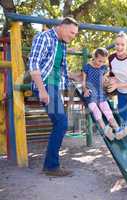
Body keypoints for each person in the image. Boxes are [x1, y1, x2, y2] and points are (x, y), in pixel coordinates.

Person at [28, 17, 79, 177]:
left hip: (55, 86)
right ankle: (51, 166)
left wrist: (74, 76)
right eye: (71, 32)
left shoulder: (62, 44)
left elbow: (60, 68)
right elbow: (34, 64)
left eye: (75, 34)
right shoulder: (44, 37)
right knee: (62, 122)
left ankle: (50, 165)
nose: (73, 36)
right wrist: (42, 90)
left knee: (60, 123)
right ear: (62, 27)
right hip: (45, 85)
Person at [82, 48, 127, 140]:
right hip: (90, 93)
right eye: (99, 61)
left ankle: (118, 131)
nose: (101, 63)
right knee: (96, 111)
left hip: (100, 93)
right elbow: (83, 81)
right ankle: (105, 130)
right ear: (94, 57)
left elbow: (102, 80)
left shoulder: (103, 68)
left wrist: (106, 82)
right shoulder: (87, 67)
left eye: (103, 61)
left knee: (108, 111)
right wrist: (85, 89)